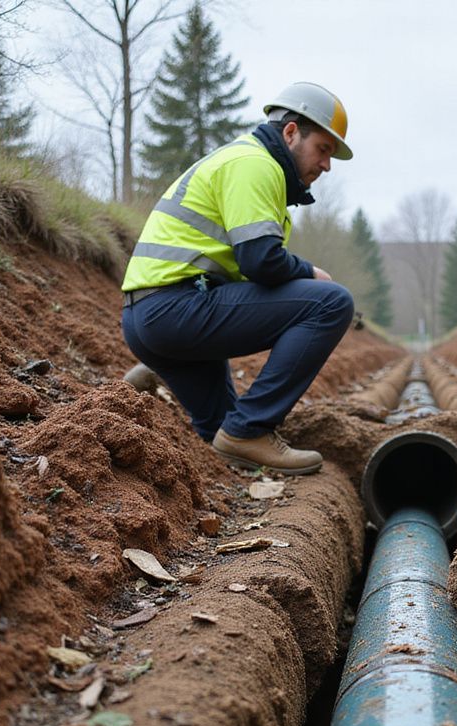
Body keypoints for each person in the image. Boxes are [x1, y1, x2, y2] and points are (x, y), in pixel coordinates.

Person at [120, 82, 355, 475]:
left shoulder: (247, 165)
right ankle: (251, 429)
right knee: (331, 302)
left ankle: (165, 374)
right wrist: (312, 273)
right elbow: (260, 261)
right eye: (324, 150)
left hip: (147, 319)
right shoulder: (255, 165)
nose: (327, 165)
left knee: (222, 438)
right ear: (291, 132)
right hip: (176, 310)